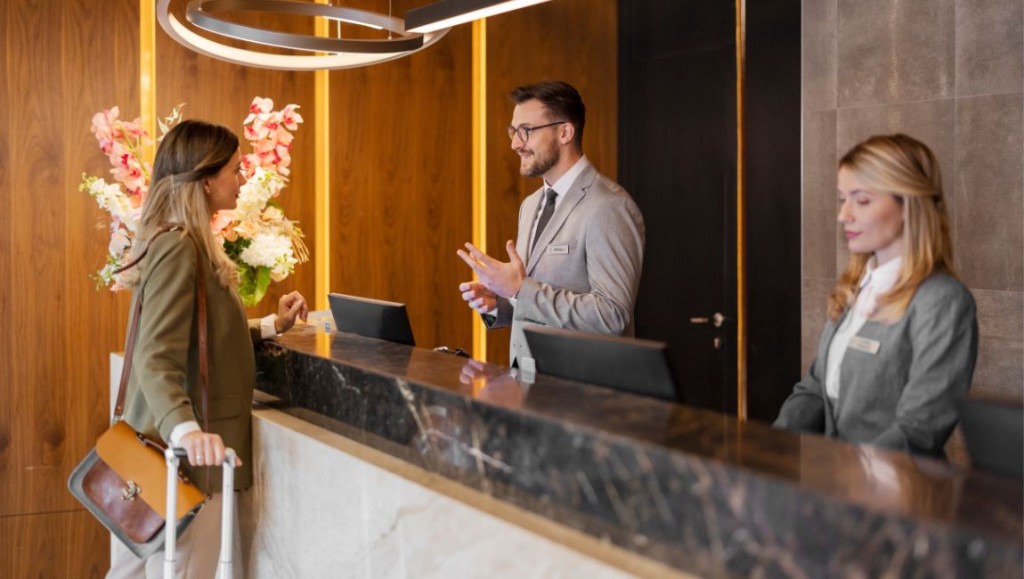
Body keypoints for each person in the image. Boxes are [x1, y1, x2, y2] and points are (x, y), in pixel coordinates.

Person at [107, 120, 308, 578]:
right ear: (205, 179)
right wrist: (186, 432)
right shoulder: (179, 246)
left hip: (171, 461)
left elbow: (202, 340)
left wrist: (272, 326)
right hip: (185, 464)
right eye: (235, 169)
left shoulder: (183, 241)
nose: (243, 178)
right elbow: (156, 355)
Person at [774, 134, 977, 459]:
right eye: (842, 199)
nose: (844, 215)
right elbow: (813, 391)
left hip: (897, 486)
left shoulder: (943, 301)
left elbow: (919, 429)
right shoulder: (854, 288)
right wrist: (768, 449)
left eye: (862, 201)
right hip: (833, 481)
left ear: (908, 205)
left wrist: (851, 475)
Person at [457, 81, 645, 366]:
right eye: (513, 132)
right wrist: (502, 303)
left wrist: (519, 290)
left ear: (565, 132)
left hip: (581, 386)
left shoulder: (609, 206)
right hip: (528, 379)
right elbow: (537, 301)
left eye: (526, 131)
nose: (515, 144)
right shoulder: (531, 204)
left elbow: (612, 316)